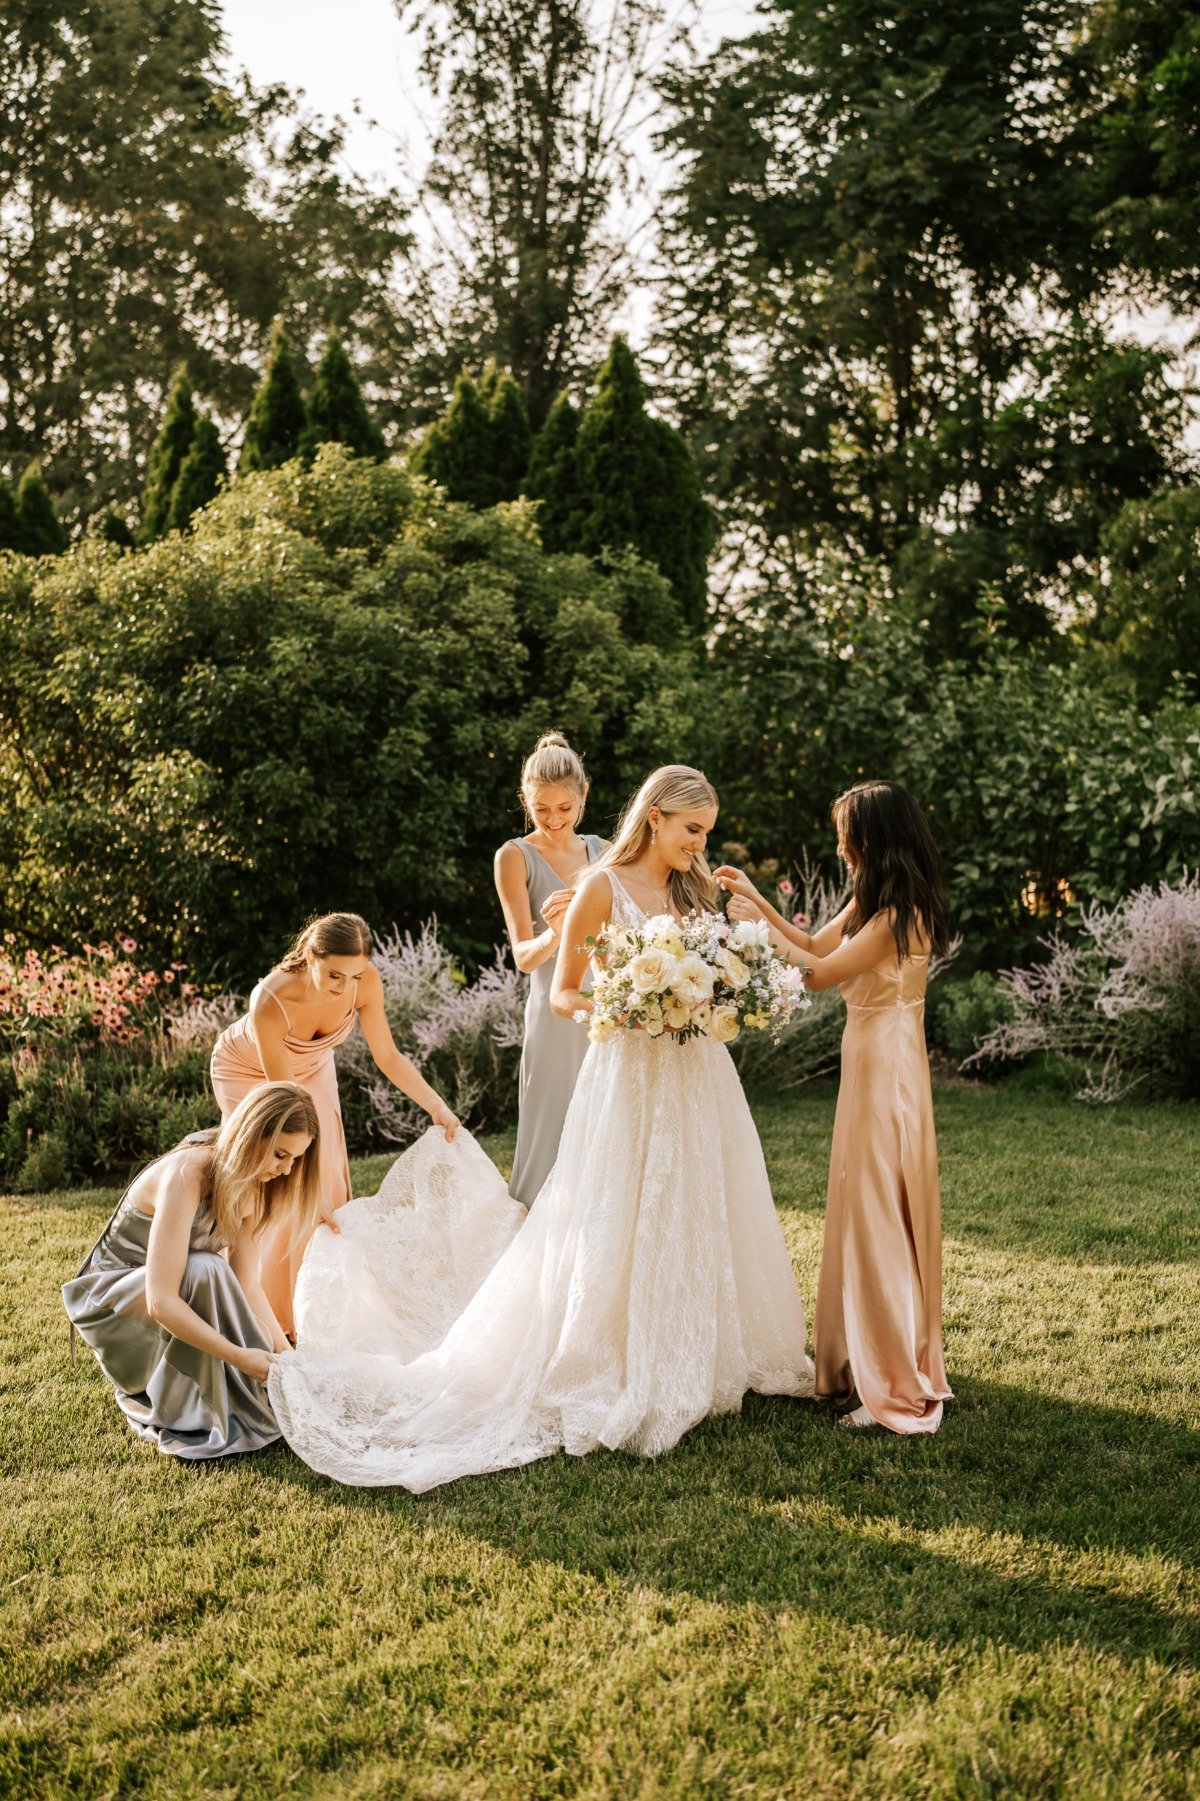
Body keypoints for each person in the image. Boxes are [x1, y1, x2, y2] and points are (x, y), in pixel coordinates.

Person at [268, 766, 815, 1491]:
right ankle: (614, 1355)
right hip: (627, 1071)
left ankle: (704, 1346)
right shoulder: (599, 886)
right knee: (618, 1209)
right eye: (692, 830)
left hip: (696, 1073)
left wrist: (722, 989)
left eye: (705, 832)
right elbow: (563, 993)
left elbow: (719, 968)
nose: (699, 844)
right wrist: (637, 1006)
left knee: (697, 1196)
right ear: (654, 818)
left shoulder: (695, 889)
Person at [714, 779, 952, 1434]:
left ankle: (894, 1381)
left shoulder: (900, 914)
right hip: (869, 1063)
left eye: (847, 831)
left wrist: (756, 926)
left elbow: (819, 976)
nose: (840, 843)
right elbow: (816, 946)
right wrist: (759, 902)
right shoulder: (873, 902)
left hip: (890, 1071)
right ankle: (863, 1356)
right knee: (859, 1204)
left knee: (878, 1211)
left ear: (871, 838)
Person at [210, 911, 459, 1336]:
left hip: (312, 1067)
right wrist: (310, 1192)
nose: (346, 986)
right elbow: (285, 1104)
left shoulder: (365, 982)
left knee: (330, 1185)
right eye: (335, 975)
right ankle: (269, 1317)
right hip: (253, 1076)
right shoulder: (270, 1000)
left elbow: (388, 1055)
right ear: (310, 956)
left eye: (355, 974)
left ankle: (325, 1308)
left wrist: (436, 1106)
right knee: (280, 1177)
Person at [62, 1083, 322, 1461]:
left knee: (212, 1272)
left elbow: (247, 1285)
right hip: (112, 1305)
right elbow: (161, 1301)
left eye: (295, 1160)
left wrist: (286, 1357)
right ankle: (185, 1407)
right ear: (251, 1136)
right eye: (280, 1155)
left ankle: (233, 1392)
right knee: (206, 1268)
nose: (286, 1170)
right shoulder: (187, 1175)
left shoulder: (252, 1185)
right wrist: (238, 1356)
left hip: (172, 1292)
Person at [493, 732, 606, 1206]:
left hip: (605, 1009)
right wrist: (554, 934)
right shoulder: (513, 856)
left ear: (582, 798)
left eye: (565, 808)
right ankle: (532, 1244)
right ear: (526, 800)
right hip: (552, 1016)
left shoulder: (604, 851)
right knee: (548, 1132)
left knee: (604, 1126)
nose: (555, 820)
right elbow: (522, 957)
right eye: (543, 809)